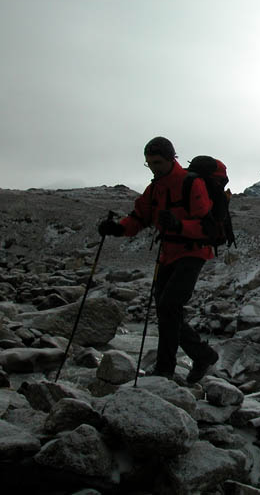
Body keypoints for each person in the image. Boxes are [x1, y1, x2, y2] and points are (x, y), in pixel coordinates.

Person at [98, 136, 219, 383]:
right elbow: (138, 218)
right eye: (149, 163)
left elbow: (209, 228)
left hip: (193, 252)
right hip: (168, 254)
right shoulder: (154, 189)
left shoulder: (191, 183)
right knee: (167, 310)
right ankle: (202, 355)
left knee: (168, 306)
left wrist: (179, 225)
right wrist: (116, 229)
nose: (153, 167)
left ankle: (165, 368)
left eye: (157, 162)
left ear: (171, 158)